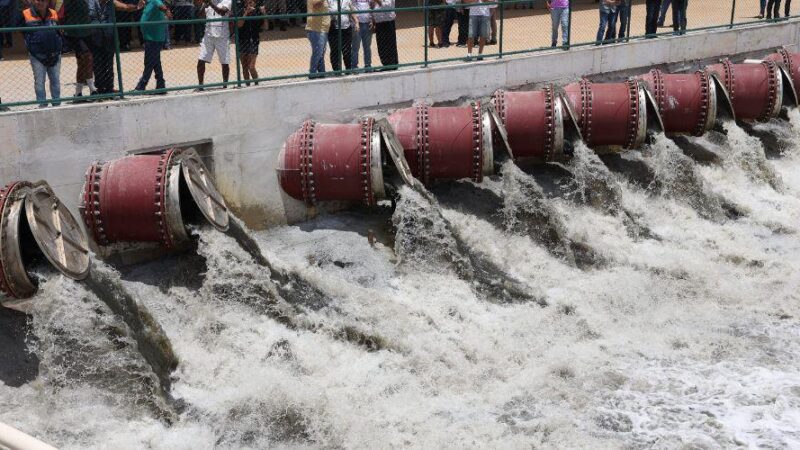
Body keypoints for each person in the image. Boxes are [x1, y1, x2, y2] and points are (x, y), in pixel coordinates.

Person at [87, 0, 142, 96]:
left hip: (109, 37)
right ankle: (100, 88)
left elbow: (125, 7)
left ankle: (109, 88)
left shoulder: (111, 2)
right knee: (97, 63)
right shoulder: (89, 2)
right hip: (95, 37)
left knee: (109, 63)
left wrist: (137, 7)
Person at [21, 0, 62, 106]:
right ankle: (42, 106)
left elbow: (58, 31)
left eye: (43, 0)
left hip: (55, 54)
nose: (40, 2)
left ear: (48, 2)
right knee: (39, 82)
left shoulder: (53, 13)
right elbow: (22, 32)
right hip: (37, 56)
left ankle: (56, 104)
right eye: (38, 0)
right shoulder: (26, 14)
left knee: (55, 81)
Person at [61, 0, 98, 99]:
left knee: (82, 63)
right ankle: (92, 88)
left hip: (87, 31)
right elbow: (60, 14)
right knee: (87, 56)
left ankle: (78, 92)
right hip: (73, 33)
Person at [134, 0, 170, 92]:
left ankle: (141, 86)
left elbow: (161, 6)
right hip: (150, 37)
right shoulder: (147, 3)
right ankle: (161, 85)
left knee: (149, 62)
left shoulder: (154, 1)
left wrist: (166, 11)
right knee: (155, 62)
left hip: (154, 38)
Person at [195, 0, 231, 89]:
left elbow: (222, 12)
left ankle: (225, 85)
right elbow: (200, 15)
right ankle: (201, 85)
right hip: (208, 35)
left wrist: (210, 3)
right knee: (201, 60)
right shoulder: (209, 1)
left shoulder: (227, 1)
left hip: (222, 36)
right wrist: (202, 5)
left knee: (224, 62)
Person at [236, 0, 264, 84]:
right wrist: (246, 13)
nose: (249, 5)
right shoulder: (241, 11)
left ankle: (256, 83)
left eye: (251, 3)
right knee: (244, 67)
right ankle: (247, 85)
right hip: (242, 41)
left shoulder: (258, 12)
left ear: (255, 4)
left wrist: (264, 14)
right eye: (247, 3)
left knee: (251, 67)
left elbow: (265, 26)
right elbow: (239, 25)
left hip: (254, 41)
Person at [328, 0, 355, 72]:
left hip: (346, 29)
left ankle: (348, 70)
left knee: (347, 51)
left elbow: (352, 11)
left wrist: (357, 22)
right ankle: (337, 71)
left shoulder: (347, 0)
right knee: (335, 51)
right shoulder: (329, 1)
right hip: (334, 30)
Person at [305, 0, 329, 77]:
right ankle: (312, 72)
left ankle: (322, 72)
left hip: (323, 29)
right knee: (318, 52)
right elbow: (315, 5)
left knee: (321, 52)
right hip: (315, 29)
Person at [371, 0, 397, 69]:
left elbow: (386, 6)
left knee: (390, 44)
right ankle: (385, 65)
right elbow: (372, 8)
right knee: (381, 45)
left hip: (388, 22)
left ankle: (393, 65)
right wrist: (373, 22)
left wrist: (377, 1)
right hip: (379, 23)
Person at [350, 0, 372, 70]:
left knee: (367, 47)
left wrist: (372, 19)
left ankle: (368, 65)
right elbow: (351, 8)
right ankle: (354, 66)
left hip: (367, 24)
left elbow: (371, 6)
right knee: (355, 47)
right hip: (357, 25)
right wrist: (355, 21)